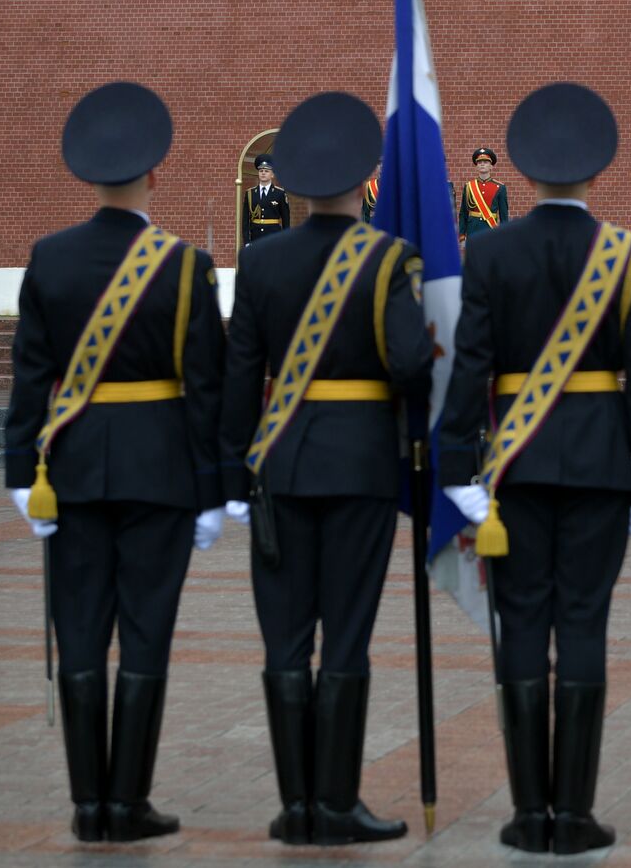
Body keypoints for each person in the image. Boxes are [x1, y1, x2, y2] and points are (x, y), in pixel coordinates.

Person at [435, 82, 631, 856]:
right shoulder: (628, 255)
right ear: (597, 174)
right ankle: (576, 814)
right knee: (586, 625)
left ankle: (527, 814)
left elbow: (469, 367)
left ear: (525, 176)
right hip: (601, 462)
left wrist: (458, 467)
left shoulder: (492, 249)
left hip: (514, 469)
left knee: (522, 628)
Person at [4, 82, 226, 843]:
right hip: (160, 469)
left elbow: (30, 375)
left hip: (69, 468)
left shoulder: (50, 258)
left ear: (86, 177)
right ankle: (127, 803)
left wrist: (14, 474)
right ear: (154, 176)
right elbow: (206, 389)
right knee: (145, 632)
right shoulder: (185, 265)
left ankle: (85, 804)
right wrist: (213, 492)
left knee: (78, 629)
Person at [219, 92, 432, 846]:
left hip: (278, 466)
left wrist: (231, 476)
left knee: (284, 639)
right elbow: (411, 364)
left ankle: (295, 808)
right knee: (344, 638)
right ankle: (337, 806)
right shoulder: (386, 259)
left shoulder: (261, 260)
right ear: (365, 176)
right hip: (362, 467)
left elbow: (240, 375)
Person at [457, 146, 508, 245]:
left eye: (485, 162)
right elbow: (463, 213)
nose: (482, 164)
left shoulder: (500, 187)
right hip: (472, 230)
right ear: (476, 166)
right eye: (480, 163)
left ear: (491, 166)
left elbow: (504, 215)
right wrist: (462, 235)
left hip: (490, 229)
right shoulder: (469, 186)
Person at [242, 154, 291, 244]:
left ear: (272, 174)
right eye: (261, 171)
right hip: (255, 237)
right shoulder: (250, 193)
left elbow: (286, 220)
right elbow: (245, 221)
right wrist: (247, 241)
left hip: (273, 237)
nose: (263, 173)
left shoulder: (279, 193)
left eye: (266, 171)